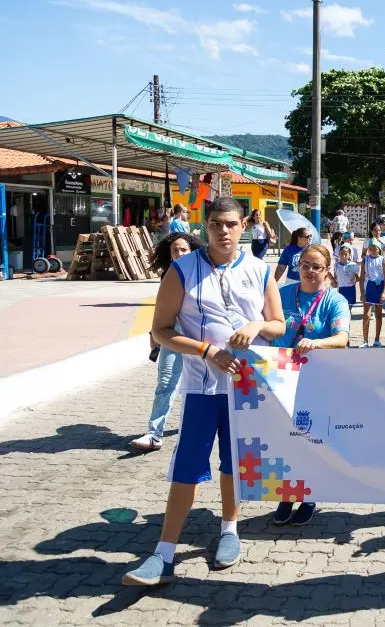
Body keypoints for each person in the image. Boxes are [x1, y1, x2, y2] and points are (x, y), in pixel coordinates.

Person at [122, 197, 285, 586]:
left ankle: (229, 529)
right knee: (186, 467)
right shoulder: (181, 270)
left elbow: (279, 324)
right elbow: (160, 330)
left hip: (248, 388)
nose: (223, 231)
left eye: (230, 224)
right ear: (204, 226)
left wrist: (256, 325)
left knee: (234, 463)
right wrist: (206, 350)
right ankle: (163, 554)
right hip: (201, 388)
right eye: (215, 224)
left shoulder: (260, 271)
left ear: (243, 226)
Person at [271, 244, 350, 526]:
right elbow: (267, 326)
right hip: (280, 377)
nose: (310, 271)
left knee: (310, 438)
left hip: (317, 380)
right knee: (283, 438)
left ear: (327, 270)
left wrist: (316, 343)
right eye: (305, 265)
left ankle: (310, 495)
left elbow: (341, 339)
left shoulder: (334, 301)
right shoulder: (281, 295)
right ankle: (286, 493)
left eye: (317, 266)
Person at [130, 232, 206, 452]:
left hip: (200, 338)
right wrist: (153, 334)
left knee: (202, 385)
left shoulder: (203, 273)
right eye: (175, 250)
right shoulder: (168, 275)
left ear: (193, 251)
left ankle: (207, 426)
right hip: (173, 336)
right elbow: (162, 310)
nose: (179, 253)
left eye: (184, 249)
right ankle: (154, 433)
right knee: (165, 384)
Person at [360, 240, 385, 348]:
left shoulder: (383, 260)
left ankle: (377, 339)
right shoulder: (365, 260)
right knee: (366, 315)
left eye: (375, 248)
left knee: (378, 315)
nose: (372, 250)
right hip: (369, 287)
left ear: (379, 249)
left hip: (379, 287)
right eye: (370, 248)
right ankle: (365, 340)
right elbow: (362, 278)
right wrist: (362, 292)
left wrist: (384, 293)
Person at [334, 244, 360, 312]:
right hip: (341, 289)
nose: (343, 256)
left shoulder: (353, 265)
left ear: (349, 255)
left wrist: (355, 278)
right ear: (339, 254)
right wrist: (333, 282)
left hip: (350, 289)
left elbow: (358, 278)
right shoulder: (336, 265)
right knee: (342, 309)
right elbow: (335, 277)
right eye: (342, 254)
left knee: (348, 310)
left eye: (346, 254)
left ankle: (348, 321)